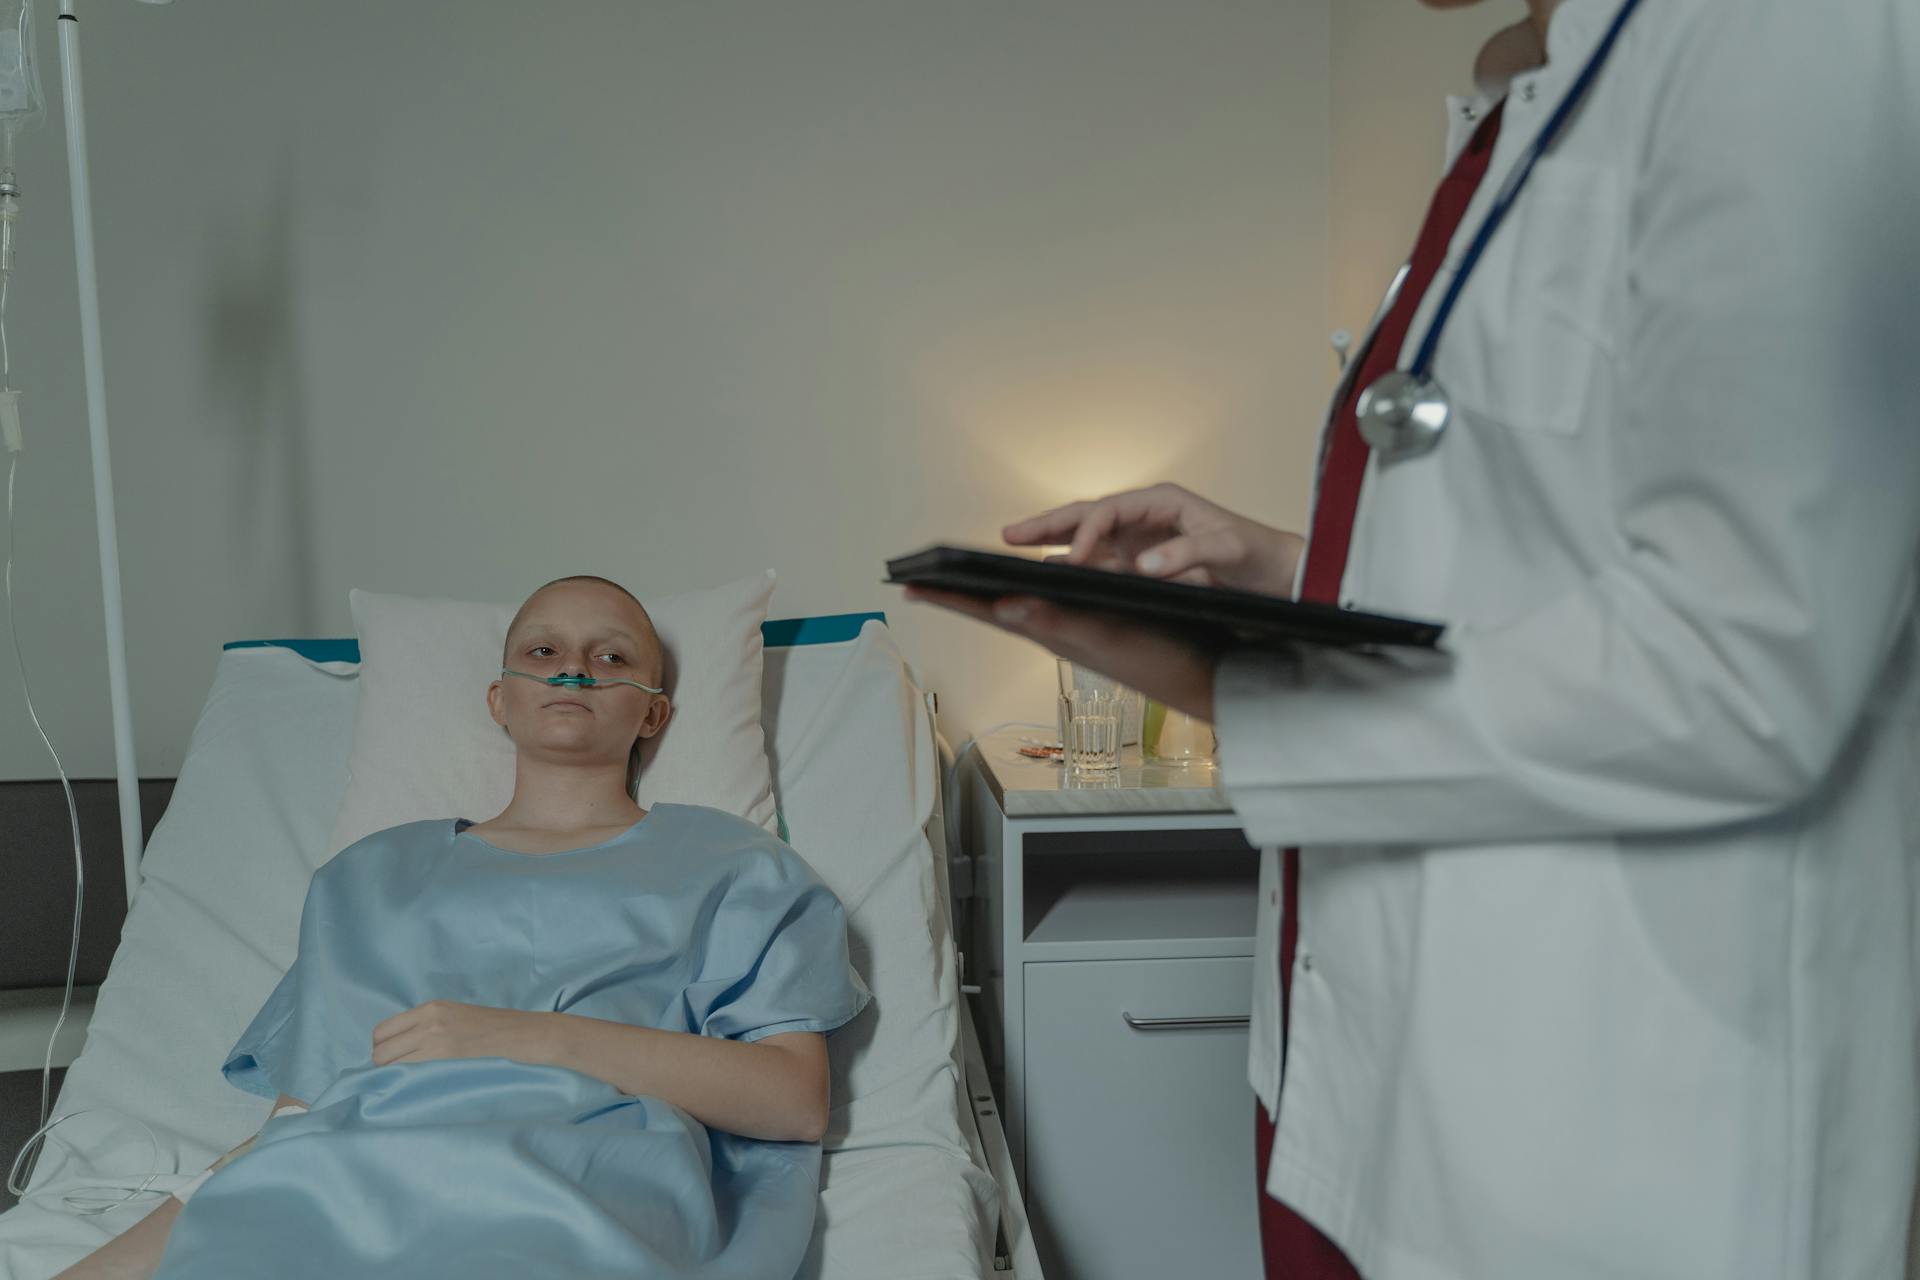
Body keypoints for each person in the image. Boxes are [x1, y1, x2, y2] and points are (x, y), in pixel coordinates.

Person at [907, 0, 1920, 1276]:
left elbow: (1749, 663)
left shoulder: (1784, 35)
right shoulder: (1550, 88)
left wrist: (1244, 685)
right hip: (1387, 1063)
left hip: (1619, 1113)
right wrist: (1284, 569)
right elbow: (1543, 552)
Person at [55, 575, 871, 1280]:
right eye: (544, 653)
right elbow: (299, 1132)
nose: (576, 669)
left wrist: (527, 1037)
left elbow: (793, 1101)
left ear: (653, 717)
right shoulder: (368, 878)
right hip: (360, 1180)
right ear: (499, 699)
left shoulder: (732, 864)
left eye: (612, 657)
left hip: (585, 1180)